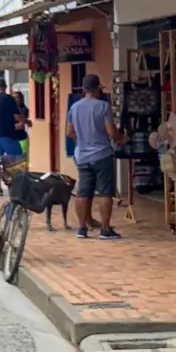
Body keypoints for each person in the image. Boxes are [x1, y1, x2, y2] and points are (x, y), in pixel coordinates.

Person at [66, 73, 121, 240]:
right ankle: (105, 229)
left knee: (82, 192)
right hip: (102, 154)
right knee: (105, 192)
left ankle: (82, 229)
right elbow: (111, 132)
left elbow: (69, 132)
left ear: (83, 89)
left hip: (82, 156)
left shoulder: (74, 108)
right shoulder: (103, 107)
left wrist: (82, 140)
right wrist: (121, 137)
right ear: (97, 88)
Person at [13, 90, 32, 162]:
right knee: (13, 161)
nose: (16, 100)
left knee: (23, 160)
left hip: (22, 138)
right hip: (11, 139)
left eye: (17, 98)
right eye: (14, 98)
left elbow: (28, 124)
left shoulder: (25, 110)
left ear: (21, 99)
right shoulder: (8, 110)